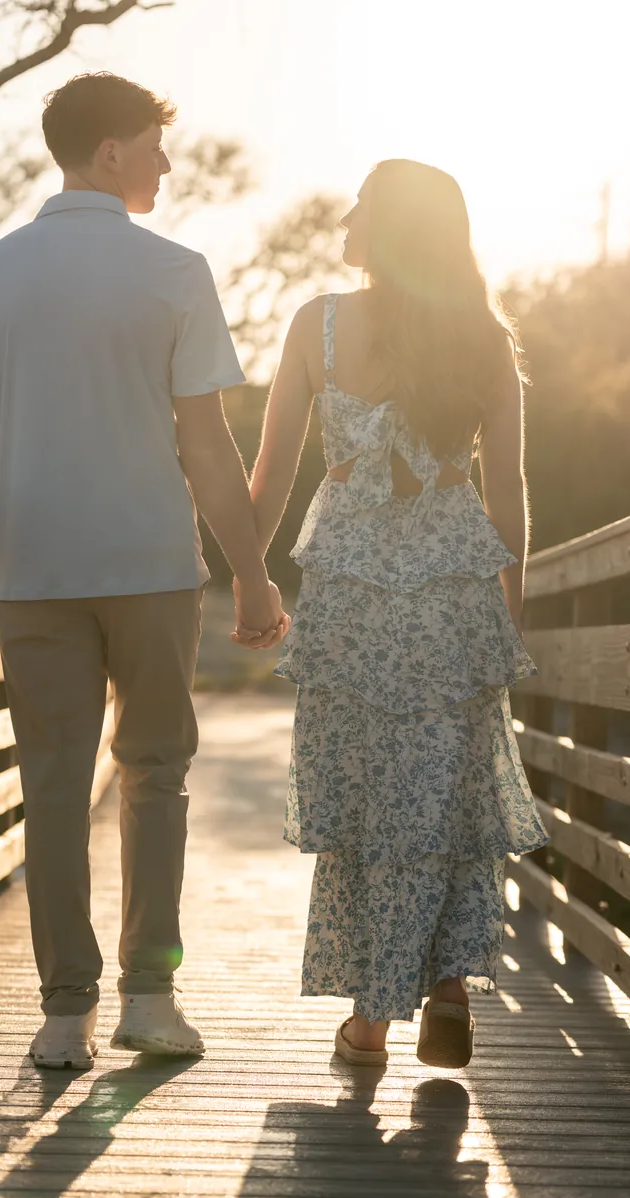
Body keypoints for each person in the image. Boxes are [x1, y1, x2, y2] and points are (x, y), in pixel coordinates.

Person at [0, 72, 287, 1070]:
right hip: (148, 566)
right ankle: (147, 996)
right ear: (109, 153)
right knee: (155, 777)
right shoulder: (175, 272)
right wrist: (253, 577)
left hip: (39, 570)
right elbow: (208, 450)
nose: (165, 164)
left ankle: (64, 1015)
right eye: (153, 145)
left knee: (52, 784)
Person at [239, 159, 548, 1069]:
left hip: (353, 600)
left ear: (392, 228)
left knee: (370, 800)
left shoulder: (317, 325)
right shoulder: (485, 340)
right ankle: (448, 986)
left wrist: (250, 577)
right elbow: (510, 494)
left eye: (361, 203)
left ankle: (371, 1021)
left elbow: (273, 472)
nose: (345, 214)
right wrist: (510, 620)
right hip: (454, 598)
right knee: (450, 797)